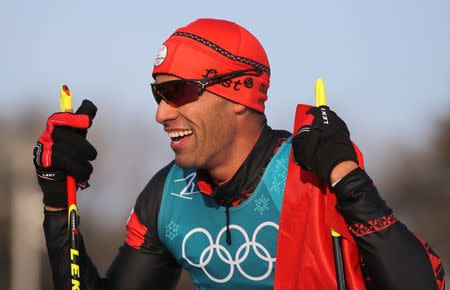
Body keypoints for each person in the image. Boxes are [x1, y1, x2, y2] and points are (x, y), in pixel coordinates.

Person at [33, 18, 445, 290]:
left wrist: (348, 177)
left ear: (239, 94)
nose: (161, 113)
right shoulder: (167, 196)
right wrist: (57, 201)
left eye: (176, 91)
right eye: (157, 94)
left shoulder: (315, 173)